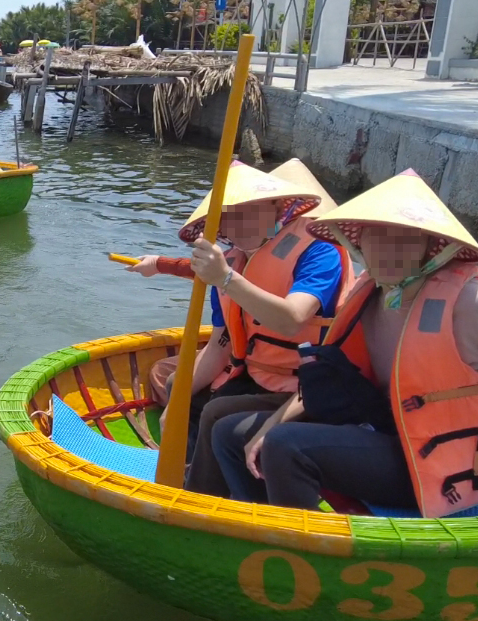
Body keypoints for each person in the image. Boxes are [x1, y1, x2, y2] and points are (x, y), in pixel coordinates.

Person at [211, 170, 478, 516]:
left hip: (446, 463)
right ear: (359, 243)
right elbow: (330, 375)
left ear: (432, 247)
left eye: (403, 239)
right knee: (232, 432)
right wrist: (270, 426)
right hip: (385, 434)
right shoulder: (372, 294)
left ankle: (298, 544)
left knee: (287, 445)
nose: (386, 250)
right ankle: (254, 527)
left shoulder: (472, 301)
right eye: (376, 237)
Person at [146, 161, 351, 496]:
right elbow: (221, 342)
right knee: (178, 388)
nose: (236, 222)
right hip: (257, 374)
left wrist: (226, 278)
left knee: (218, 415)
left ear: (277, 208)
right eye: (227, 215)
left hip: (307, 384)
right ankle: (190, 476)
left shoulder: (318, 251)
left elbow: (293, 319)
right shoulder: (233, 260)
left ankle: (201, 496)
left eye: (248, 210)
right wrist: (176, 401)